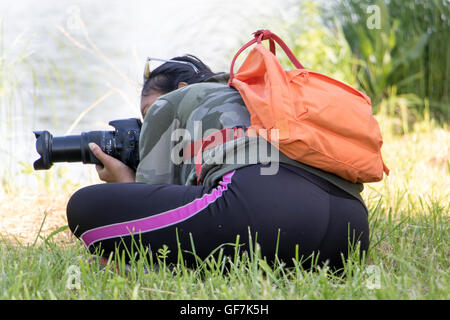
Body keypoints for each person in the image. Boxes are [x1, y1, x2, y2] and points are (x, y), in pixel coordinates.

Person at [66, 54, 369, 270]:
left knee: (84, 206)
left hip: (265, 210)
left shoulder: (175, 102)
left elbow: (150, 199)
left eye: (150, 113)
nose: (148, 128)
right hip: (350, 232)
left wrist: (124, 181)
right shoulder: (254, 97)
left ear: (182, 91)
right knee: (225, 228)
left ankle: (155, 271)